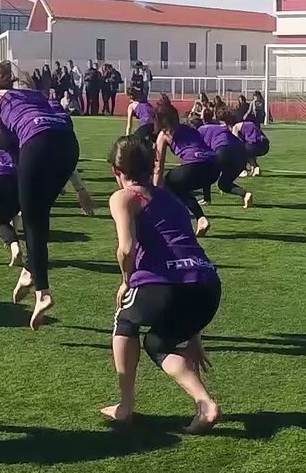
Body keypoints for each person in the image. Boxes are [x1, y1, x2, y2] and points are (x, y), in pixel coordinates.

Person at [100, 135, 221, 433]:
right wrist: (193, 335)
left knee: (124, 320)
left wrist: (126, 281)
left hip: (166, 285)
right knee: (157, 344)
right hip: (208, 286)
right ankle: (205, 404)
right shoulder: (172, 200)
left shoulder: (124, 197)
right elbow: (185, 253)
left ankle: (125, 407)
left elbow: (126, 249)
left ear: (116, 171)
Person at [0, 62, 79, 330]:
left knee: (32, 220)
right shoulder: (32, 95)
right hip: (69, 146)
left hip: (39, 143)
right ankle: (29, 272)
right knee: (39, 213)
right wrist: (80, 188)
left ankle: (42, 293)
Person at [150, 96, 218, 235]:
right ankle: (198, 218)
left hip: (194, 166)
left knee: (170, 183)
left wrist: (156, 194)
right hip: (214, 168)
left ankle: (195, 218)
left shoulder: (164, 135)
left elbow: (158, 168)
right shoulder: (189, 129)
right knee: (181, 187)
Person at [197, 109, 252, 209]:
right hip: (241, 153)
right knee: (224, 184)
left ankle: (206, 199)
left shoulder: (200, 130)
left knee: (205, 171)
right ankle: (245, 194)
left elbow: (203, 153)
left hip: (223, 149)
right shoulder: (220, 127)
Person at [231, 110, 270, 178]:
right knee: (248, 151)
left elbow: (235, 142)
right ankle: (255, 168)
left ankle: (243, 169)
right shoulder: (253, 125)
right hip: (264, 146)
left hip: (253, 145)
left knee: (241, 149)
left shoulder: (237, 126)